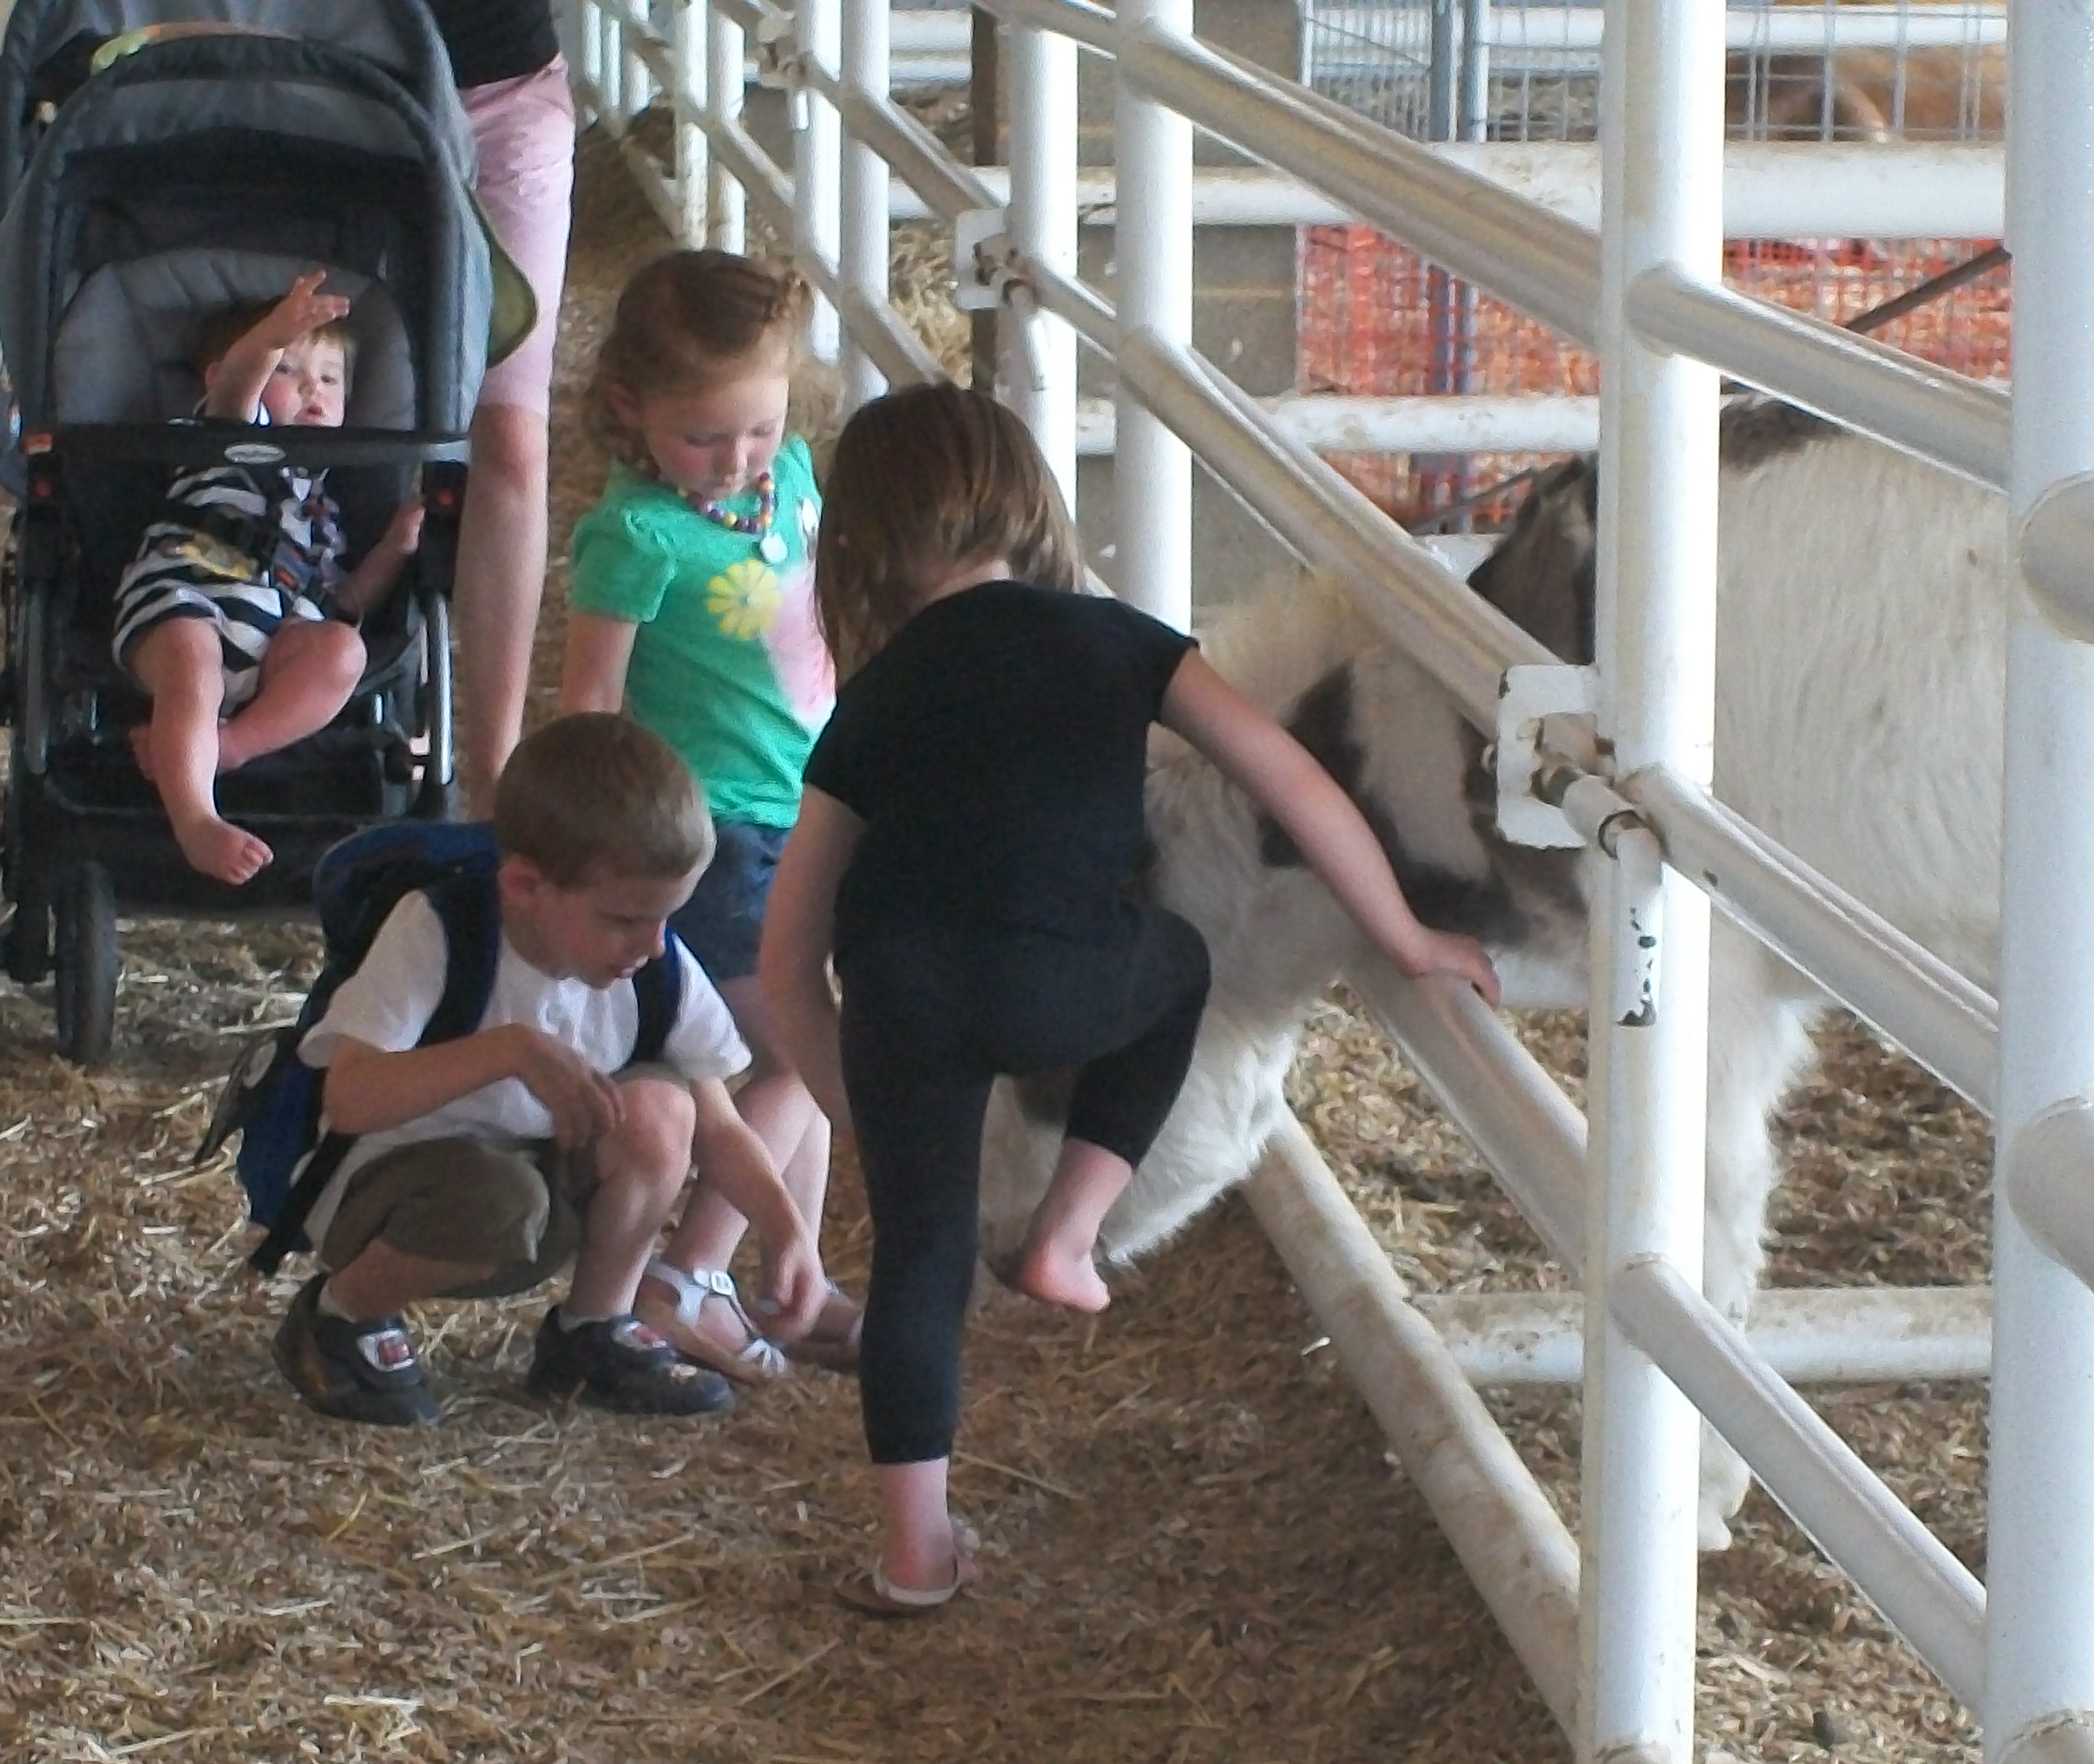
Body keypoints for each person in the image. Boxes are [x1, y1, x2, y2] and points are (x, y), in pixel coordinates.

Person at [759, 383, 1504, 1616]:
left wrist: (858, 1107)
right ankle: (1068, 1232)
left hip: (903, 998)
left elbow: (788, 954)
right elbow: (1297, 785)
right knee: (1176, 971)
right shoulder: (1119, 641)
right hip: (1058, 977)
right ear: (1027, 504)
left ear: (862, 545)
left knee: (920, 1265)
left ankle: (915, 1557)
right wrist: (1407, 935)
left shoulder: (871, 700)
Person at [273, 712, 824, 1429]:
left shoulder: (653, 966)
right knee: (502, 1200)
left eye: (668, 917)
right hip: (393, 1190)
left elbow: (716, 1129)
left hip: (533, 1192)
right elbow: (349, 1097)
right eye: (624, 919)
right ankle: (342, 1312)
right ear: (526, 886)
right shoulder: (439, 932)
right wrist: (508, 1050)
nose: (655, 945)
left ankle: (592, 1330)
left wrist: (786, 1230)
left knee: (666, 1107)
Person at [560, 250, 857, 1387]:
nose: (738, 460)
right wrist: (593, 838)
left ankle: (793, 1290)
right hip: (713, 832)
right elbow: (591, 699)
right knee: (801, 1058)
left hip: (808, 810)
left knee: (805, 1053)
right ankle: (687, 1274)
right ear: (629, 407)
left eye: (761, 428)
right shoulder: (637, 536)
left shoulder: (793, 478)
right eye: (704, 438)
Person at [114, 271, 423, 885]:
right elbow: (239, 385)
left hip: (280, 635)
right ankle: (197, 818)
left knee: (344, 649)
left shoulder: (323, 504)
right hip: (186, 599)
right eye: (289, 369)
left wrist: (393, 548)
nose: (313, 388)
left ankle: (232, 746)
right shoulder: (225, 433)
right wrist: (269, 338)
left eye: (330, 379)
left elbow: (343, 600)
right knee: (193, 661)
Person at [419, 0, 580, 805]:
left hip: (505, 87)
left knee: (513, 436)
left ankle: (492, 778)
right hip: (335, 86)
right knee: (344, 398)